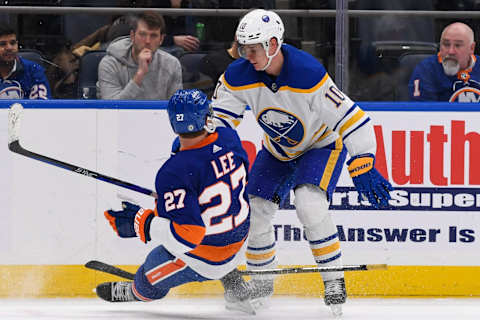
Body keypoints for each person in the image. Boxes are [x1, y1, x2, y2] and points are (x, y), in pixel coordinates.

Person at [211, 9, 393, 316]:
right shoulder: (237, 76)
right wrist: (202, 149)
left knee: (310, 204)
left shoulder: (308, 73)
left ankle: (334, 280)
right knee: (255, 211)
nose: (247, 55)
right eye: (244, 49)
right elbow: (219, 123)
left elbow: (353, 119)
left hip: (321, 146)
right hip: (277, 150)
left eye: (253, 49)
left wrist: (363, 160)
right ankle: (261, 283)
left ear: (272, 44)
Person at [96, 89, 256, 314]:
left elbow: (188, 238)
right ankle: (233, 281)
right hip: (240, 238)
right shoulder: (229, 138)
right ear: (206, 117)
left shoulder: (173, 172)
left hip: (209, 258)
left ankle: (135, 291)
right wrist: (181, 197)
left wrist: (143, 223)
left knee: (148, 277)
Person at [97, 11, 182, 100]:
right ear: (132, 36)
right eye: (143, 34)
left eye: (153, 36)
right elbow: (112, 108)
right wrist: (140, 74)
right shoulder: (109, 64)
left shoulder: (172, 64)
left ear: (161, 39)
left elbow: (175, 108)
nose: (148, 41)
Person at [409, 22, 480, 102]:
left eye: (458, 45)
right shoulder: (426, 70)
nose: (451, 51)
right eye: (446, 44)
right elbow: (424, 111)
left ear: (471, 48)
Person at [0, 23, 51, 99]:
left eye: (12, 43)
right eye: (2, 44)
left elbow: (42, 107)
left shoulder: (33, 70)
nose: (9, 48)